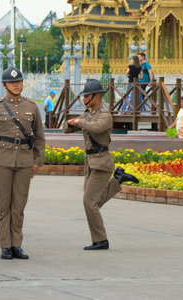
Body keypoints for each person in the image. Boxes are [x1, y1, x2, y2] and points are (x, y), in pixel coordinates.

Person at [63, 79, 139, 251]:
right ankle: (118, 179)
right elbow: (66, 129)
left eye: (87, 96)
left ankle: (101, 240)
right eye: (83, 96)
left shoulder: (105, 115)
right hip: (90, 163)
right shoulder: (87, 114)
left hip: (102, 163)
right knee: (93, 202)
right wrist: (69, 123)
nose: (84, 99)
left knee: (89, 202)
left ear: (97, 96)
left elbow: (96, 128)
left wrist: (79, 122)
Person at [0, 66, 45, 260]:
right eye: (12, 83)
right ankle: (5, 245)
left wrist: (36, 161)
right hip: (2, 160)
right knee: (3, 205)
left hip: (24, 160)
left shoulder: (31, 106)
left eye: (19, 82)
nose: (17, 85)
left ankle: (17, 244)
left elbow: (39, 136)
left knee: (19, 205)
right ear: (4, 85)